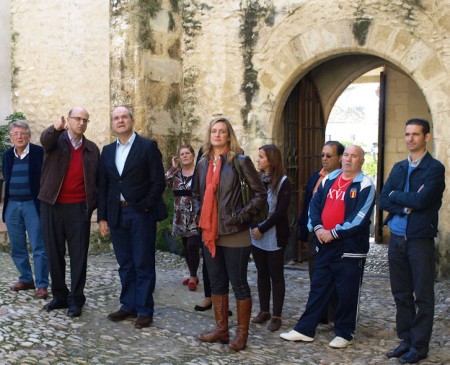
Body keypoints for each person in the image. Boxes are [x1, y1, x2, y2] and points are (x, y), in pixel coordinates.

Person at [280, 145, 375, 349]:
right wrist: (318, 227)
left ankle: (344, 332)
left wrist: (333, 232)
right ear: (342, 159)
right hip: (324, 244)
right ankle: (305, 329)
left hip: (349, 247)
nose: (349, 160)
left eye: (354, 156)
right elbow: (314, 205)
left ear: (361, 161)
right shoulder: (329, 179)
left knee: (347, 291)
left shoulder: (365, 184)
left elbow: (359, 218)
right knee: (318, 287)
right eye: (347, 155)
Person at [193, 116, 267, 351]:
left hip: (235, 232)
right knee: (216, 283)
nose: (217, 135)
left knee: (239, 283)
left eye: (222, 131)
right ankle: (221, 329)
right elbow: (196, 194)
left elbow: (260, 194)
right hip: (210, 232)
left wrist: (239, 216)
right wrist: (198, 215)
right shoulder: (203, 162)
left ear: (228, 135)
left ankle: (242, 334)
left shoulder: (240, 161)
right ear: (209, 135)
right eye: (213, 131)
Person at [379, 119, 445, 364]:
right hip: (397, 239)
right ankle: (406, 339)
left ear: (426, 137)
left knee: (423, 295)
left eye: (416, 134)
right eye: (407, 134)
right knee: (401, 294)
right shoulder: (398, 168)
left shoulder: (435, 169)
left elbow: (423, 200)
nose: (410, 139)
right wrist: (404, 203)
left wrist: (400, 198)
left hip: (420, 240)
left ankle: (419, 346)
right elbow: (384, 199)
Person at [98, 106, 165, 329]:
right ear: (113, 123)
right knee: (125, 263)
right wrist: (103, 217)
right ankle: (128, 305)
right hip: (117, 214)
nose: (120, 120)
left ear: (132, 120)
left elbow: (158, 182)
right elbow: (104, 186)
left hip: (140, 213)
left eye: (124, 117)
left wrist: (146, 206)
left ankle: (145, 309)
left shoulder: (147, 147)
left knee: (143, 263)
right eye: (116, 118)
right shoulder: (107, 151)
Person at [39, 107, 100, 317]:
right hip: (52, 205)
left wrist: (92, 206)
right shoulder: (56, 141)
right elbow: (45, 140)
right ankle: (59, 296)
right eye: (77, 119)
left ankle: (76, 299)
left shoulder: (92, 149)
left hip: (78, 208)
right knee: (54, 254)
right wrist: (55, 128)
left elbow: (96, 181)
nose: (81, 123)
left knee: (78, 256)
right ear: (69, 120)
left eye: (85, 119)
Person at [297, 141, 344, 325]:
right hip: (313, 232)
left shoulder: (343, 180)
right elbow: (307, 204)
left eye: (329, 156)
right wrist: (303, 232)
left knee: (332, 276)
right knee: (315, 275)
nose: (324, 159)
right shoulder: (315, 177)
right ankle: (320, 313)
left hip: (331, 233)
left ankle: (335, 316)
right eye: (322, 155)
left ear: (340, 158)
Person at [2, 121, 48, 299]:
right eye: (15, 133)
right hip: (12, 205)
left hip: (32, 204)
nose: (19, 136)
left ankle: (42, 284)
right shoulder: (6, 155)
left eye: (22, 133)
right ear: (11, 137)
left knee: (39, 246)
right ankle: (26, 279)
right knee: (17, 247)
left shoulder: (39, 153)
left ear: (29, 135)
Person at [250, 144, 292, 332]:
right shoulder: (257, 180)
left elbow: (280, 212)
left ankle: (277, 315)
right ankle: (264, 310)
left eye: (261, 157)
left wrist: (262, 227)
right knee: (261, 274)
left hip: (274, 235)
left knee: (276, 276)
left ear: (271, 160)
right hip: (257, 234)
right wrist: (253, 227)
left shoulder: (284, 182)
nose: (258, 160)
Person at [165, 144, 202, 291]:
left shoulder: (199, 172)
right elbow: (162, 182)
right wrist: (173, 168)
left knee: (193, 245)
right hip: (180, 215)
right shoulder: (176, 174)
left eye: (188, 153)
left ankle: (193, 277)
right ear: (178, 158)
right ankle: (192, 273)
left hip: (195, 214)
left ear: (193, 155)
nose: (185, 156)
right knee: (186, 247)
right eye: (182, 154)